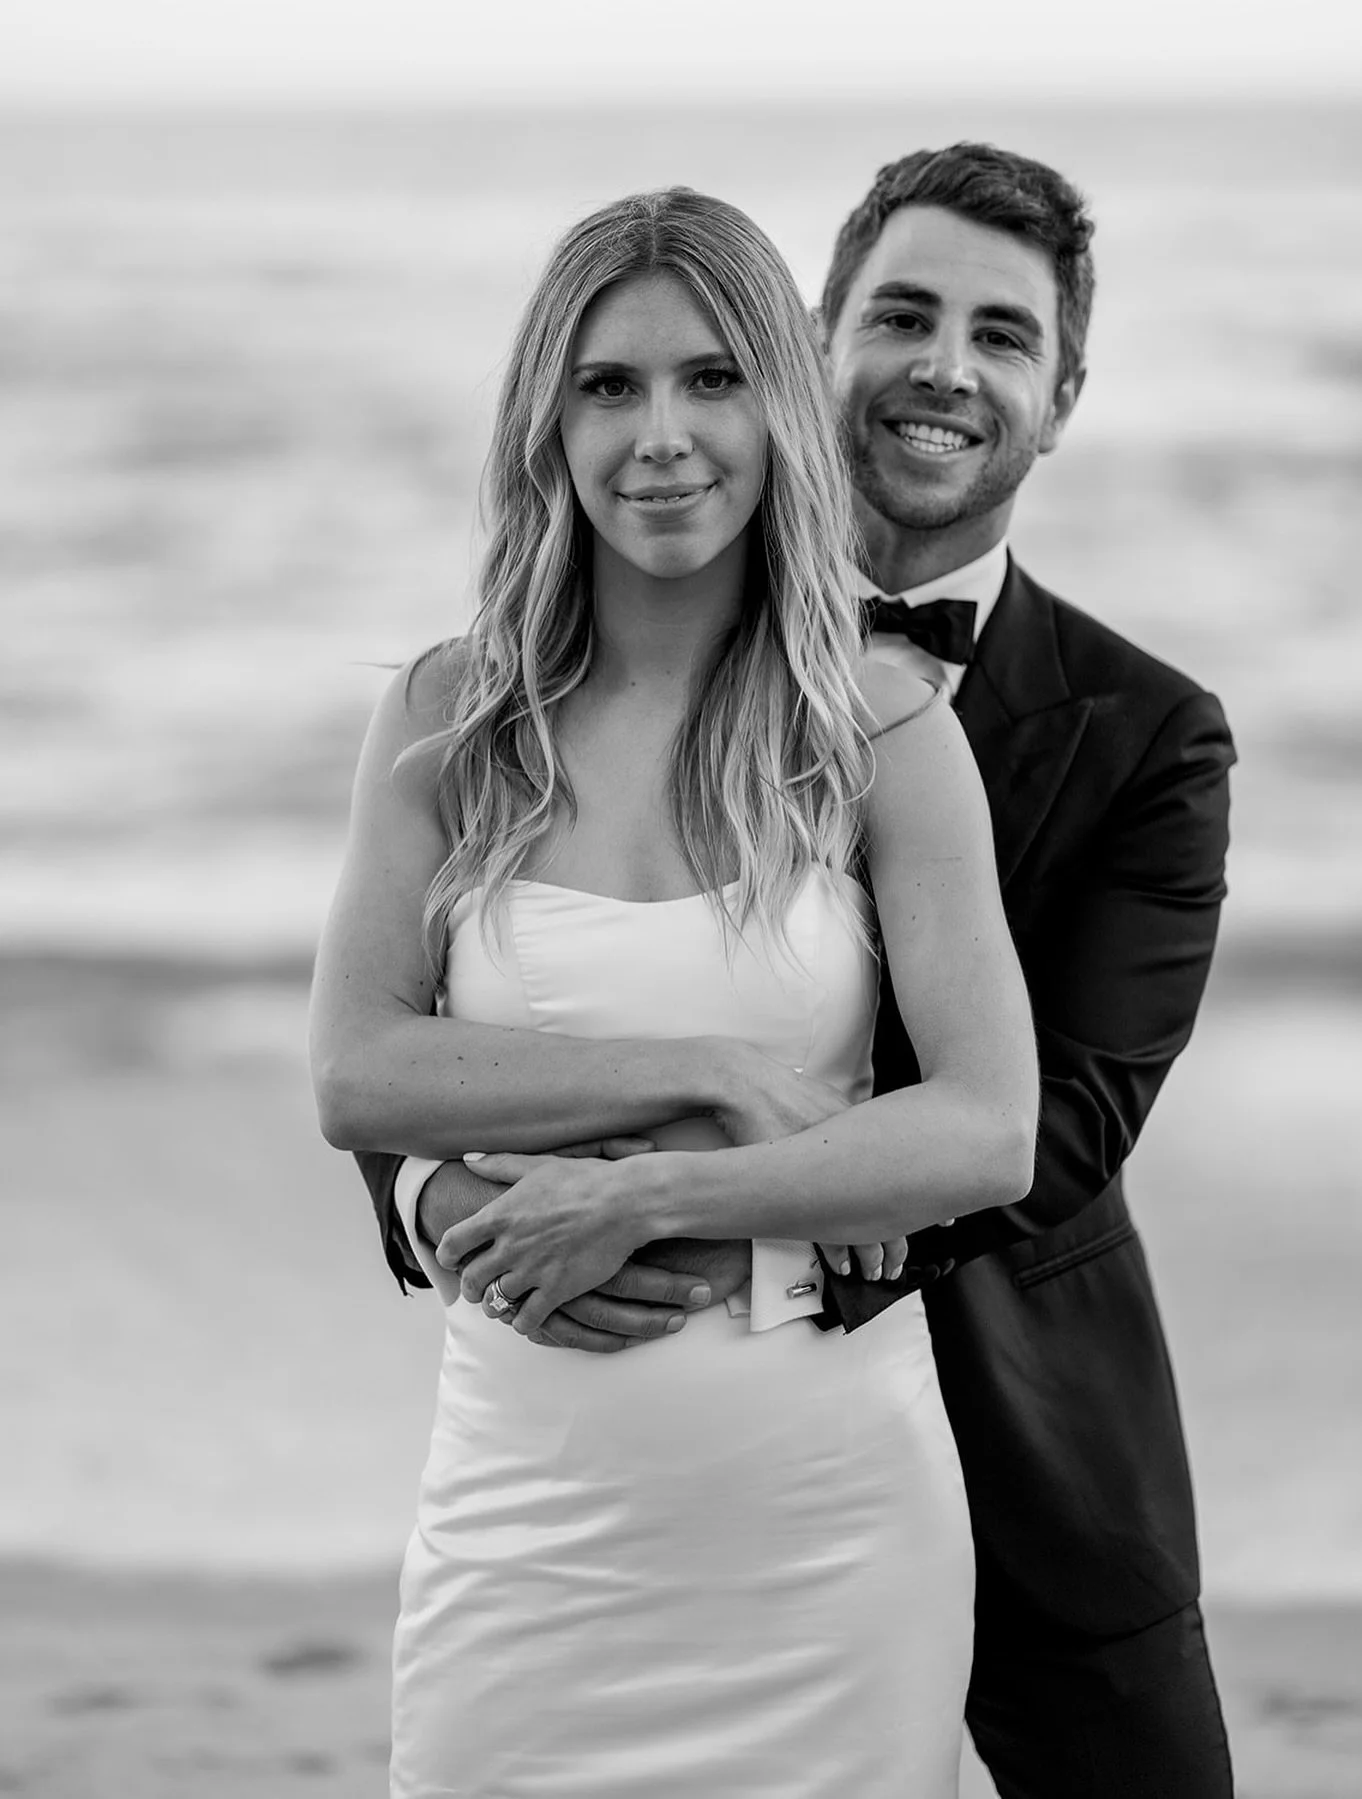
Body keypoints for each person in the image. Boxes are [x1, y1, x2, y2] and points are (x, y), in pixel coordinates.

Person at [357, 143, 1240, 1797]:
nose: (944, 369)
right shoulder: (486, 701)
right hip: (580, 1433)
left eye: (1003, 336)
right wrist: (442, 1185)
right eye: (902, 313)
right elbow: (402, 1043)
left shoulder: (1147, 735)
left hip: (1004, 1410)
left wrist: (644, 1195)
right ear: (816, 343)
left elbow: (1050, 1127)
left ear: (1060, 398)